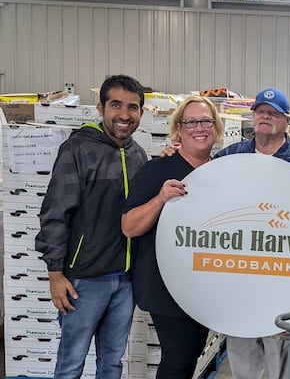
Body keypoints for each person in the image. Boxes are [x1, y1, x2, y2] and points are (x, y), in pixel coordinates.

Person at [36, 74, 148, 379]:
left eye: (133, 107)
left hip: (125, 282)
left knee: (112, 364)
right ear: (100, 108)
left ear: (141, 113)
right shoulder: (78, 150)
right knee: (71, 364)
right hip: (83, 282)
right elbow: (55, 213)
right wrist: (55, 274)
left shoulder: (138, 156)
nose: (124, 115)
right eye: (116, 105)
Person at [121, 96, 223, 378]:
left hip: (203, 285)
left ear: (216, 128)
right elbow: (129, 226)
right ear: (179, 128)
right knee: (177, 360)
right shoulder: (157, 171)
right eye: (191, 122)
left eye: (206, 121)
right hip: (166, 287)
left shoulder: (221, 173)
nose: (199, 128)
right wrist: (160, 198)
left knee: (189, 357)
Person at [214, 87, 290, 379]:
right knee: (241, 345)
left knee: (278, 346)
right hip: (240, 269)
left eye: (273, 113)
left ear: (286, 120)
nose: (265, 117)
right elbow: (203, 186)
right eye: (260, 111)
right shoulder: (231, 155)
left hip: (280, 270)